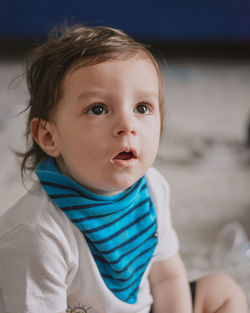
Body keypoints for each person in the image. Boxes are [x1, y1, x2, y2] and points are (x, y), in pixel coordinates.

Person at [0, 25, 247, 313]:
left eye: (142, 108)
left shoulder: (152, 188)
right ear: (49, 137)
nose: (127, 126)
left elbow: (167, 278)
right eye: (98, 109)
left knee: (222, 291)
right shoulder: (38, 234)